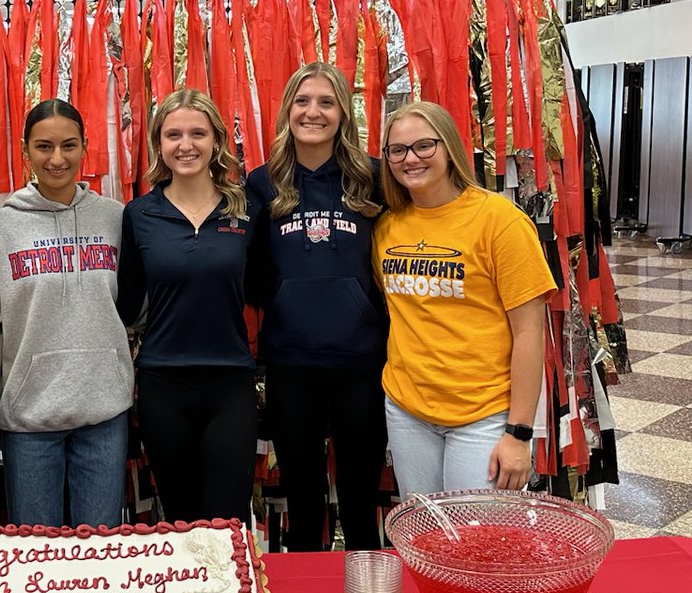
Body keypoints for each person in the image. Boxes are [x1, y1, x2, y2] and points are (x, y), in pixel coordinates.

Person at [375, 101, 556, 496]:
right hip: (408, 411)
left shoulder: (500, 220)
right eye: (398, 150)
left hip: (483, 415)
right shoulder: (387, 227)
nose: (411, 159)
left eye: (424, 146)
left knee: (476, 547)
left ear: (450, 147)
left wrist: (519, 433)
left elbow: (529, 333)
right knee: (423, 537)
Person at [246, 62, 388, 551]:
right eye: (303, 102)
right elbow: (255, 273)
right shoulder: (262, 184)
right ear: (287, 111)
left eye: (326, 102)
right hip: (291, 362)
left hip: (362, 363)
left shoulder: (373, 177)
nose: (313, 112)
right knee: (303, 501)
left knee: (360, 498)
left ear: (343, 113)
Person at [0, 99, 133, 527]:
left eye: (69, 145)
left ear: (85, 148)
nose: (57, 158)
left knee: (101, 552)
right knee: (36, 554)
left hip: (104, 410)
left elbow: (133, 306)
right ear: (25, 150)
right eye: (44, 146)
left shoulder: (115, 218)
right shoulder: (2, 227)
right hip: (29, 415)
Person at [116, 89, 259, 524]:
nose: (186, 145)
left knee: (227, 523)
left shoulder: (248, 210)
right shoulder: (139, 214)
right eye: (173, 134)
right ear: (159, 143)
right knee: (180, 521)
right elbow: (127, 302)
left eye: (198, 133)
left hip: (231, 382)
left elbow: (262, 289)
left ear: (215, 139)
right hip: (164, 384)